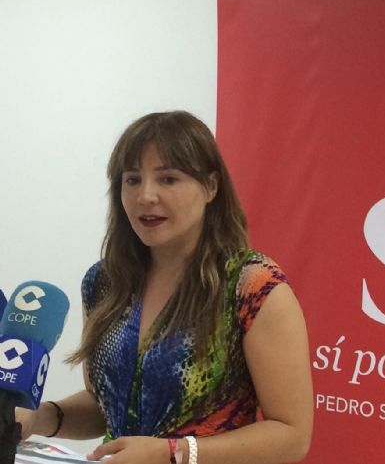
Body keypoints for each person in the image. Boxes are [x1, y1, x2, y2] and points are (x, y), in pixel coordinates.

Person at [16, 111, 313, 464]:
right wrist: (40, 417)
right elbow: (105, 406)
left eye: (168, 179)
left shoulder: (252, 285)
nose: (146, 196)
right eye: (132, 179)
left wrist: (173, 453)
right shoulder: (104, 282)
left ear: (211, 186)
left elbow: (292, 435)